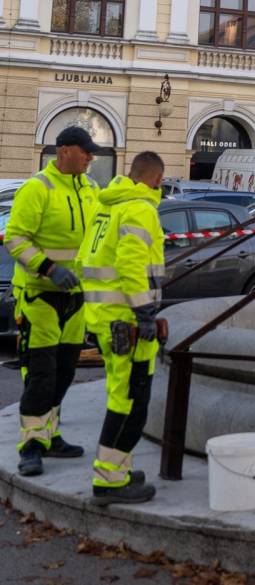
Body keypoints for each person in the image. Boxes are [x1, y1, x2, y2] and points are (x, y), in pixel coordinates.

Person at [6, 126, 101, 477]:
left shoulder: (92, 189)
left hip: (76, 298)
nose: (91, 157)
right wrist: (48, 268)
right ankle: (31, 446)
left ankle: (51, 436)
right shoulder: (37, 188)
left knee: (64, 374)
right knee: (42, 376)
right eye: (85, 151)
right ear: (63, 151)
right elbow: (15, 239)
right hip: (39, 295)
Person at [79, 152, 166, 505]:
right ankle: (109, 480)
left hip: (105, 317)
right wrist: (144, 311)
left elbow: (89, 258)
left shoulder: (108, 206)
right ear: (157, 179)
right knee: (130, 402)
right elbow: (130, 263)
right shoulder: (141, 208)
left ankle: (118, 469)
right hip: (127, 320)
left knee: (123, 395)